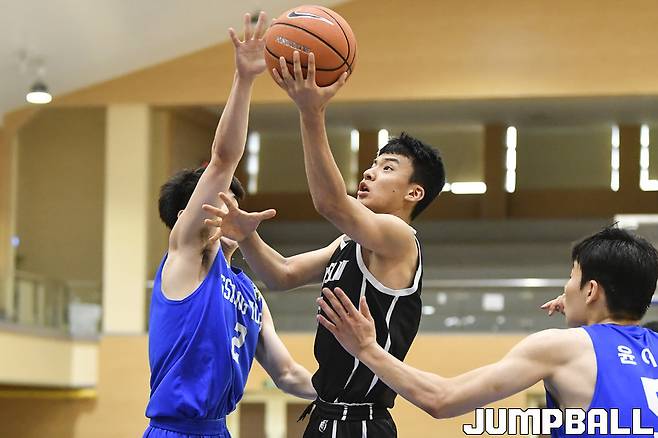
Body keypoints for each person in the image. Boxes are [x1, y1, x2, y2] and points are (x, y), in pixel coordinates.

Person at [202, 51, 446, 437]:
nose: (370, 172)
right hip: (323, 415)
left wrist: (310, 111)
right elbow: (281, 275)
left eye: (387, 168)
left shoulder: (401, 239)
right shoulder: (348, 242)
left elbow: (330, 203)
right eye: (372, 164)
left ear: (414, 193)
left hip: (362, 422)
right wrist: (248, 235)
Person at [143, 13, 315, 438]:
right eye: (217, 201)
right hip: (175, 430)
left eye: (233, 202)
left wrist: (357, 388)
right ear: (186, 218)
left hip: (219, 430)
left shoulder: (250, 295)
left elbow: (288, 374)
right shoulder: (186, 259)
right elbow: (223, 161)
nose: (227, 210)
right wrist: (245, 79)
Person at [316, 226, 658, 437]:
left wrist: (367, 348)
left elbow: (442, 399)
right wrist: (585, 308)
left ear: (591, 290)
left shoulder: (562, 347)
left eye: (571, 277)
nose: (565, 288)